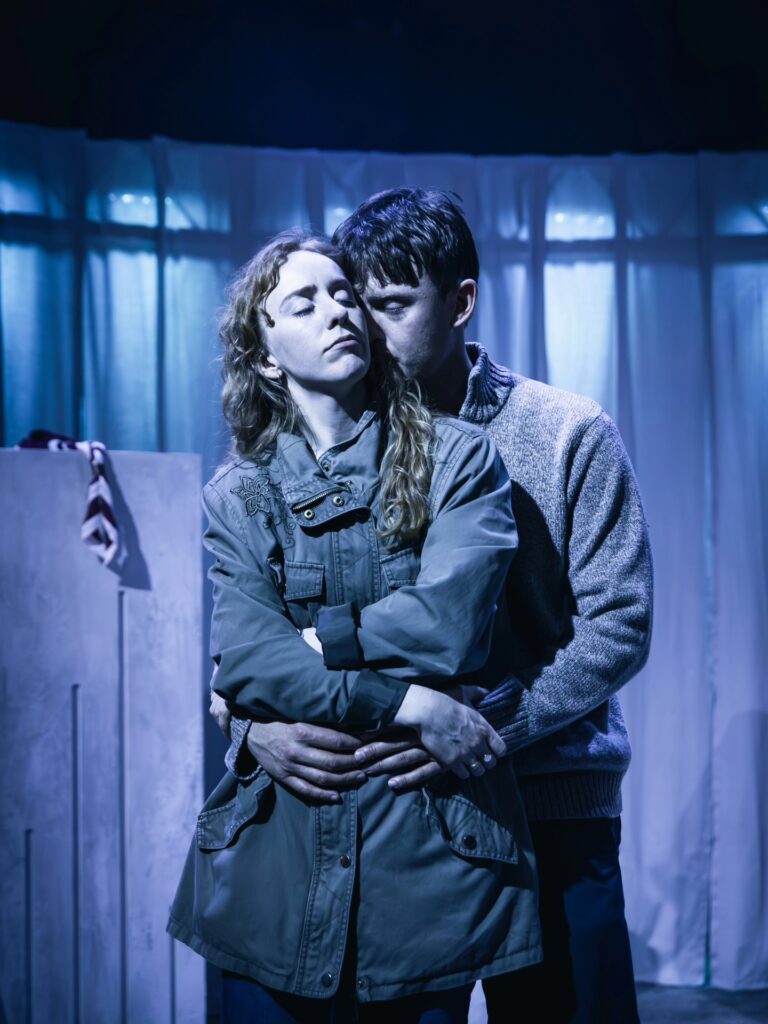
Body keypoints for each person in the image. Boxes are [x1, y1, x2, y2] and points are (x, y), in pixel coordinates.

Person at [217, 189, 653, 1023]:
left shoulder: (566, 429)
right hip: (399, 812)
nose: (362, 326)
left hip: (549, 801)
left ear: (461, 303)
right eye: (353, 301)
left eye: (390, 305)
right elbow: (260, 632)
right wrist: (250, 727)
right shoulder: (329, 439)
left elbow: (619, 624)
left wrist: (485, 731)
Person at [168, 230, 543, 1023]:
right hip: (274, 876)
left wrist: (318, 644)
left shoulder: (458, 459)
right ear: (265, 357)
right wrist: (412, 703)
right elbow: (249, 664)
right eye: (303, 303)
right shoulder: (239, 494)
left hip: (427, 866)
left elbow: (450, 625)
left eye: (344, 296)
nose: (338, 311)